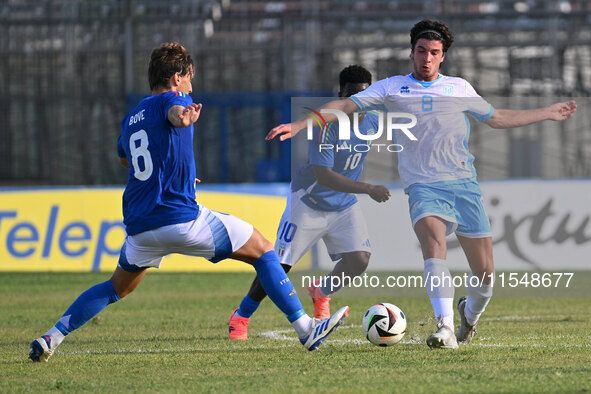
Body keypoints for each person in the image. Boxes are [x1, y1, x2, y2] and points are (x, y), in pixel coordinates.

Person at [266, 20, 577, 349]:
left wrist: (546, 112)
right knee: (434, 247)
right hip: (423, 187)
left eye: (434, 53)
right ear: (412, 52)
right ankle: (444, 327)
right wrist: (302, 123)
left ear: (442, 57)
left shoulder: (458, 88)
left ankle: (467, 315)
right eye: (421, 51)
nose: (427, 58)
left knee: (485, 275)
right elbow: (344, 106)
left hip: (463, 185)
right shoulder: (391, 88)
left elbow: (497, 117)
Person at [28, 43, 348, 362]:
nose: (191, 87)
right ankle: (306, 328)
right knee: (264, 251)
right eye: (189, 79)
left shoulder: (131, 118)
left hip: (140, 227)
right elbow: (175, 113)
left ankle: (50, 338)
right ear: (177, 77)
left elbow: (126, 159)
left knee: (116, 288)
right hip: (181, 219)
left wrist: (170, 171)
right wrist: (182, 119)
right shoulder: (175, 99)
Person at [228, 65, 391, 340]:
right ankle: (241, 316)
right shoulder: (327, 126)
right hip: (309, 200)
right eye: (350, 96)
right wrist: (368, 188)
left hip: (343, 204)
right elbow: (324, 176)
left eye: (363, 96)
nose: (356, 103)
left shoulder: (374, 119)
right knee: (279, 267)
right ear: (340, 95)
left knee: (359, 260)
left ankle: (321, 292)